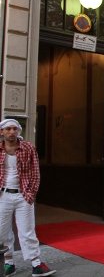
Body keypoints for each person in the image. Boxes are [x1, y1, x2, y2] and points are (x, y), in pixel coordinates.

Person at [0, 119, 57, 277]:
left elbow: (35, 172)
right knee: (2, 232)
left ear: (18, 131)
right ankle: (9, 262)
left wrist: (31, 194)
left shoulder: (28, 147)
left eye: (14, 129)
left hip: (23, 194)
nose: (11, 132)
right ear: (2, 132)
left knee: (27, 231)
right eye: (8, 129)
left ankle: (36, 264)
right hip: (3, 195)